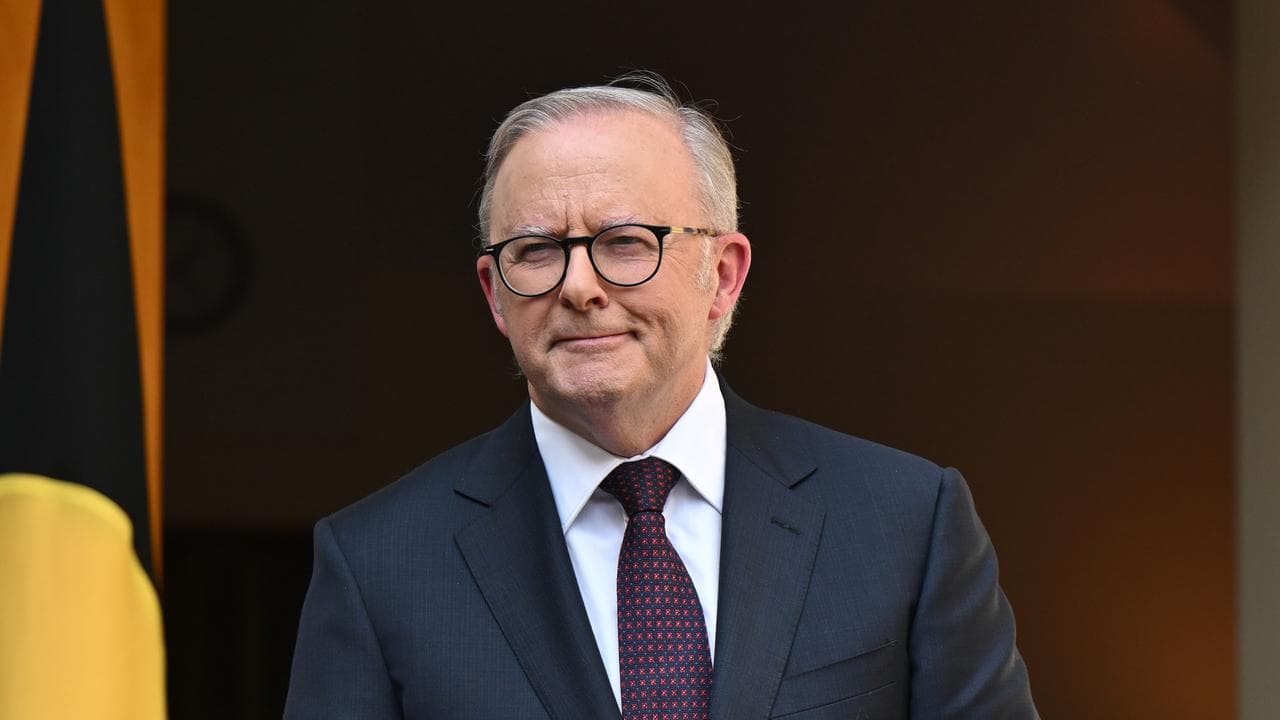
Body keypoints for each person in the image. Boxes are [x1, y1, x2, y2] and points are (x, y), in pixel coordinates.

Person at [284, 74, 1039, 719]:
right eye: (537, 251)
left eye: (625, 242)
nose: (578, 287)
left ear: (723, 274)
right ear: (494, 294)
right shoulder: (378, 564)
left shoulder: (904, 523)